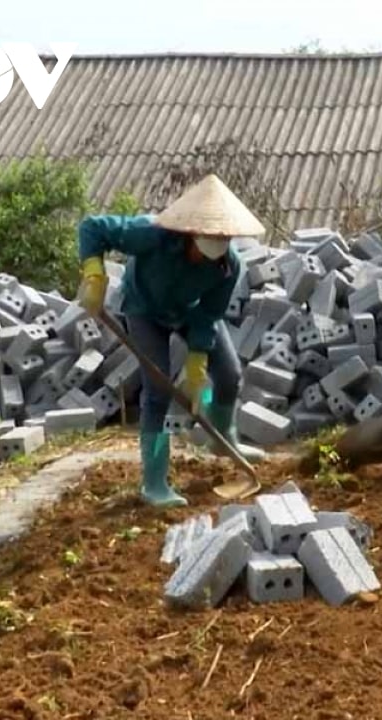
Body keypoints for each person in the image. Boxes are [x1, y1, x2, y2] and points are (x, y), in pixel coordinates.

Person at [76, 173, 264, 508]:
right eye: (201, 252)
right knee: (158, 388)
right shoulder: (152, 234)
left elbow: (209, 315)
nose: (206, 261)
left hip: (189, 312)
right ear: (190, 235)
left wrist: (196, 368)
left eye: (214, 256)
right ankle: (154, 481)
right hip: (144, 310)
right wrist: (94, 272)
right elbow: (92, 228)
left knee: (230, 374)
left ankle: (222, 439)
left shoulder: (227, 266)